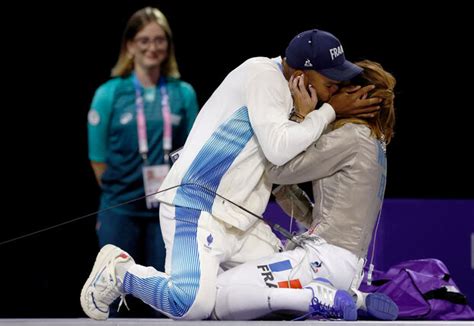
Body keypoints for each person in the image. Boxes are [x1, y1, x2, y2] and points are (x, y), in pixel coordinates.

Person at [81, 29, 381, 320]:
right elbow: (279, 152)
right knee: (190, 307)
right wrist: (328, 112)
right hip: (197, 207)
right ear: (301, 73)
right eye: (330, 83)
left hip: (242, 224)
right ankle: (120, 272)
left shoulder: (293, 99)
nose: (333, 93)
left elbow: (280, 173)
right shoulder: (263, 75)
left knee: (285, 285)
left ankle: (354, 298)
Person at [212, 60, 398, 320]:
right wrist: (285, 192)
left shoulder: (350, 138)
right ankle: (355, 299)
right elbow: (316, 212)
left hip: (321, 262)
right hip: (343, 268)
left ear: (359, 96)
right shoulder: (373, 143)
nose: (330, 93)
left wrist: (300, 116)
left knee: (217, 296)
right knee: (255, 302)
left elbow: (278, 168)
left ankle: (314, 296)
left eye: (339, 88)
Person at [86, 6, 198, 316]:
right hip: (120, 207)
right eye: (144, 40)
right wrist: (123, 192)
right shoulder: (109, 93)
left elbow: (192, 154)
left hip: (165, 209)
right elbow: (98, 159)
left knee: (165, 295)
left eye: (160, 40)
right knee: (114, 291)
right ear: (130, 45)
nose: (152, 47)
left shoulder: (182, 93)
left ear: (168, 45)